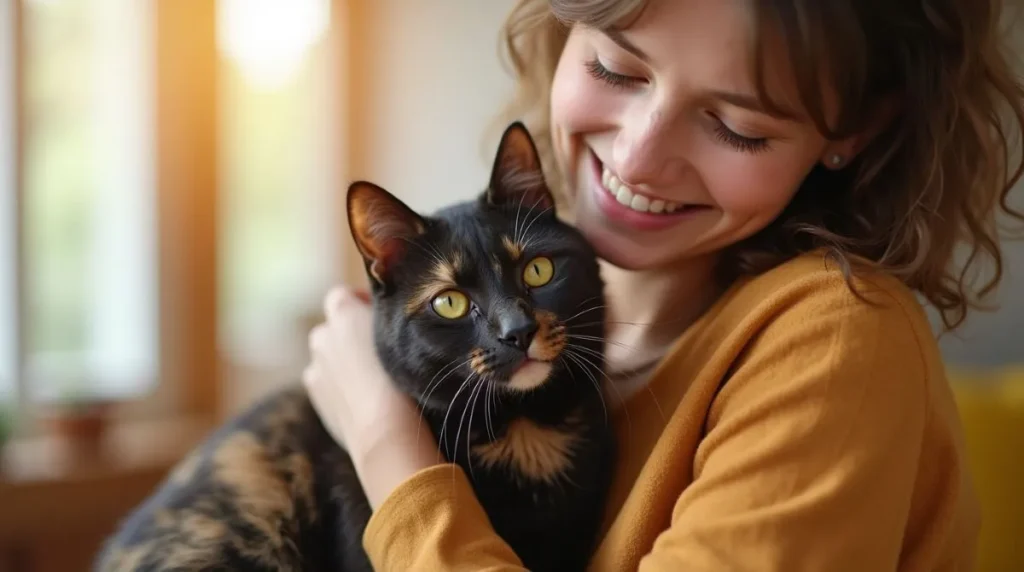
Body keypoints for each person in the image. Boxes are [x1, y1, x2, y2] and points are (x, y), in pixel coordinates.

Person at [303, 0, 1024, 569]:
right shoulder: (539, 344)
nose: (639, 157)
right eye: (617, 70)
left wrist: (390, 452)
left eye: (736, 125)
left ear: (854, 132)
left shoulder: (838, 339)